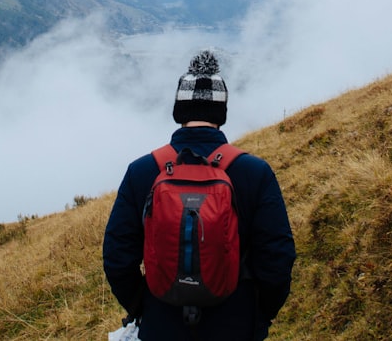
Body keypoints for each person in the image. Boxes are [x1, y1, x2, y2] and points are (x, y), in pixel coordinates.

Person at [103, 50, 296, 340]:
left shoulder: (142, 171)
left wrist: (144, 307)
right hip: (236, 325)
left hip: (161, 326)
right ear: (222, 114)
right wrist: (258, 315)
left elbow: (117, 258)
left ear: (178, 111)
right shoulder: (254, 173)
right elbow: (278, 258)